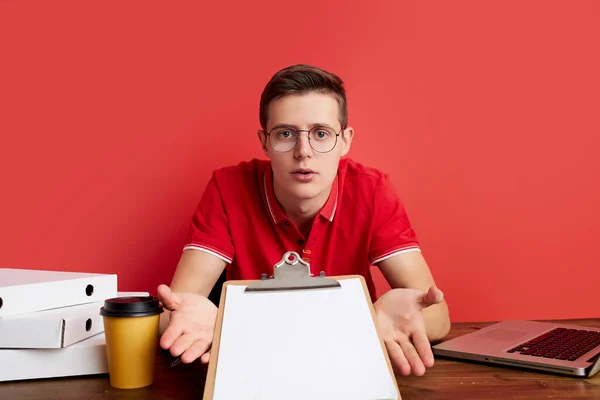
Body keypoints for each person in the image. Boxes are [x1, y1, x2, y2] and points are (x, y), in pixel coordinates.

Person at [157, 64, 450, 376]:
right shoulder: (227, 188)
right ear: (264, 141)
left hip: (348, 366)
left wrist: (375, 319)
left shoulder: (372, 190)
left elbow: (437, 317)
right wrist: (201, 317)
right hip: (255, 368)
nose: (303, 151)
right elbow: (175, 310)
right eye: (286, 134)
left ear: (345, 141)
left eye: (321, 134)